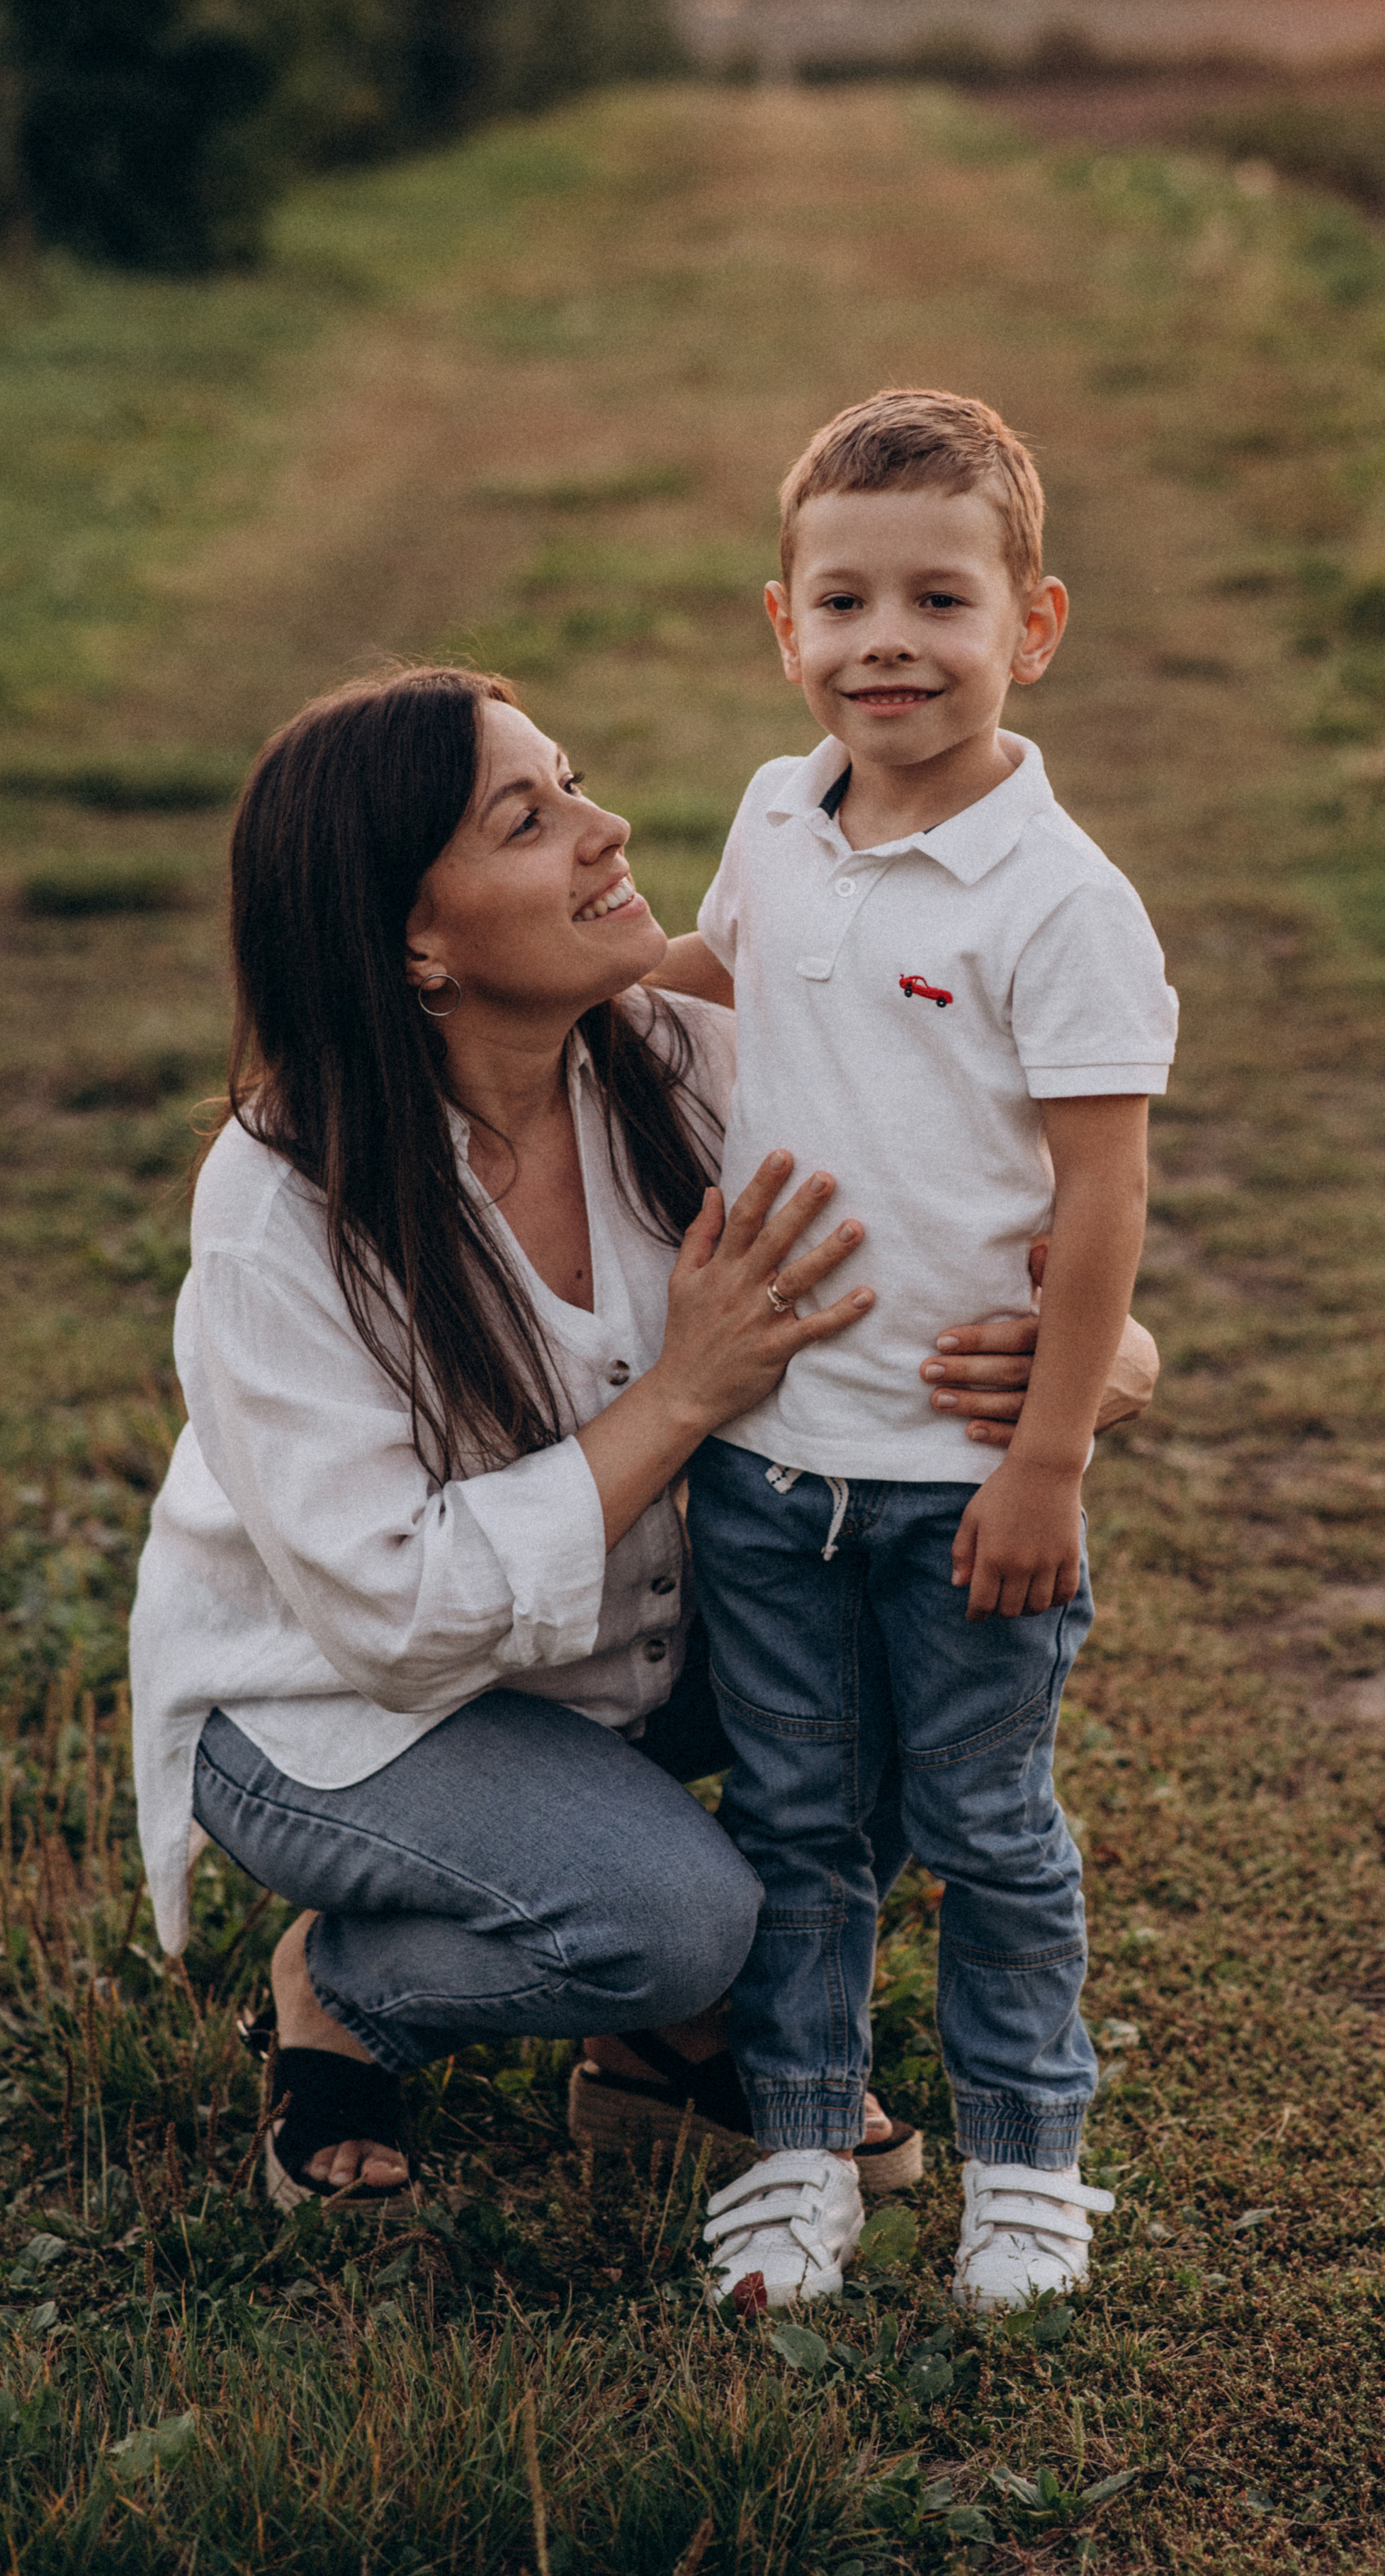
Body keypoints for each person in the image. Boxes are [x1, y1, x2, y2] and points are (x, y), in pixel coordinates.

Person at [128, 663, 1157, 2214]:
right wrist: (680, 1390)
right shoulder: (284, 1202)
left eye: (576, 779)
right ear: (414, 936)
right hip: (338, 1709)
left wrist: (1093, 1370)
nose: (608, 832)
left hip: (619, 1653)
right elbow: (394, 1622)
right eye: (528, 819)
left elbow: (969, 1229)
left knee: (893, 1650)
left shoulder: (684, 1060)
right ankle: (354, 1993)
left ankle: (658, 2057)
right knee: (678, 1917)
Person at [648, 390, 1178, 2312]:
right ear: (779, 626)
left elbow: (1105, 1201)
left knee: (985, 1832)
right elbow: (727, 986)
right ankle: (801, 2143)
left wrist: (1051, 1451)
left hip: (964, 1483)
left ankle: (1029, 2162)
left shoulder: (1060, 901)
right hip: (771, 1464)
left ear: (1030, 625)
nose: (889, 643)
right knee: (797, 1824)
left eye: (939, 601)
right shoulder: (775, 820)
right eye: (845, 601)